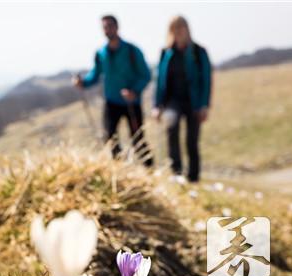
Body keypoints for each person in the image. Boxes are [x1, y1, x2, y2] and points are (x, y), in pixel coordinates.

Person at [74, 15, 153, 166]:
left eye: (110, 26)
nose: (107, 30)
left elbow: (145, 75)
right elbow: (95, 75)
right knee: (110, 138)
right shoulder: (101, 54)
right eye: (105, 27)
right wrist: (82, 83)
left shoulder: (132, 51)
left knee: (138, 138)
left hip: (132, 102)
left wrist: (134, 91)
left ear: (117, 27)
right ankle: (118, 170)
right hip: (111, 102)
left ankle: (149, 169)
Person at [152, 16, 212, 182]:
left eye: (181, 28)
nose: (178, 32)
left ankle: (193, 177)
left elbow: (206, 80)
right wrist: (156, 106)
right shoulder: (166, 53)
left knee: (191, 139)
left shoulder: (198, 52)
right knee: (171, 129)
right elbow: (159, 80)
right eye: (174, 28)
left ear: (187, 29)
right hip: (173, 101)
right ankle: (176, 172)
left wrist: (204, 105)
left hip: (194, 101)